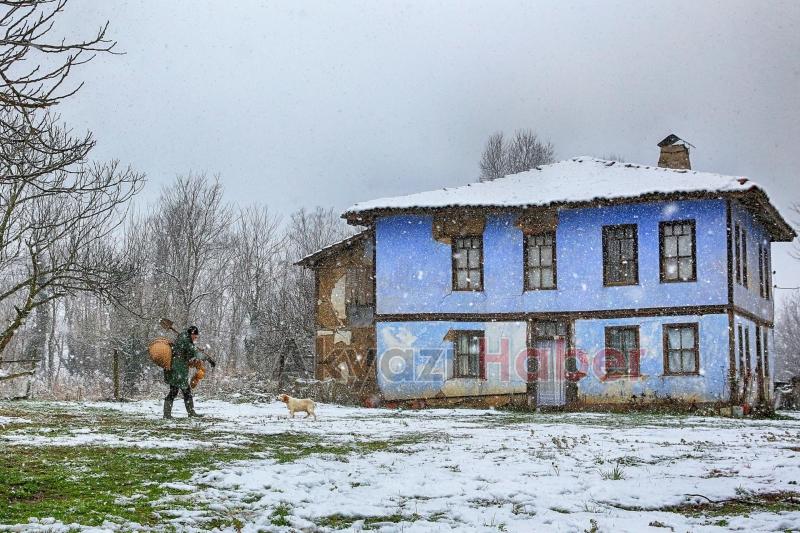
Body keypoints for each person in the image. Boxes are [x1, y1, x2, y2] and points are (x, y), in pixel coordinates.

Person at [163, 325, 215, 419]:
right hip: (177, 369)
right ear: (191, 334)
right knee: (185, 391)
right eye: (195, 336)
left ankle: (168, 414)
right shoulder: (185, 341)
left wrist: (195, 355)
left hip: (176, 368)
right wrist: (208, 359)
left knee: (174, 391)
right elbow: (194, 352)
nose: (195, 338)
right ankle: (190, 413)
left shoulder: (184, 339)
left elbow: (189, 353)